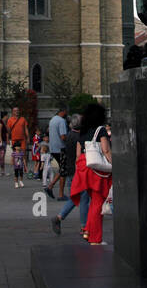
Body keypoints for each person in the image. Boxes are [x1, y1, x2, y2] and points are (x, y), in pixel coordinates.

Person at [68, 103, 112, 245]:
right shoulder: (101, 130)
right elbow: (105, 150)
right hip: (97, 171)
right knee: (97, 204)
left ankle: (87, 230)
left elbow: (78, 152)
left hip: (84, 167)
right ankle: (95, 239)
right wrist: (113, 164)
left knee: (93, 201)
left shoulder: (83, 130)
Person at [51, 118, 87, 234]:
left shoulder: (69, 135)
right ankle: (84, 226)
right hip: (78, 170)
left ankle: (59, 217)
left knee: (75, 197)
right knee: (83, 198)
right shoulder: (79, 138)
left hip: (70, 169)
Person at [47, 104, 68, 198]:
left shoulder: (52, 120)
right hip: (61, 148)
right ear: (63, 112)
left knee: (62, 168)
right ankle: (60, 193)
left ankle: (51, 186)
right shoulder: (62, 121)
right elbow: (63, 136)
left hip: (53, 148)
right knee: (64, 170)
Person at [6, 106, 29, 184]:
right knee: (16, 155)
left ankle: (24, 167)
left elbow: (26, 128)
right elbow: (8, 130)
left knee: (24, 153)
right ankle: (16, 168)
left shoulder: (23, 119)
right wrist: (7, 139)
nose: (16, 111)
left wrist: (28, 137)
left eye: (17, 110)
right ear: (12, 112)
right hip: (14, 140)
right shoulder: (10, 120)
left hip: (22, 139)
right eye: (15, 110)